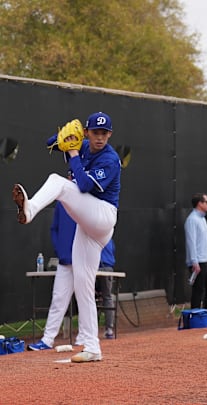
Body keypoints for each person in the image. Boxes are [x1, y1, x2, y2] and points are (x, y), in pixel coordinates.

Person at [14, 112, 121, 362]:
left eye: (104, 133)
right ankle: (93, 347)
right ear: (87, 132)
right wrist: (67, 136)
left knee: (57, 182)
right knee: (83, 286)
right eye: (95, 132)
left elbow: (83, 186)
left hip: (103, 215)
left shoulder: (110, 158)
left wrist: (73, 154)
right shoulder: (83, 143)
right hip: (88, 225)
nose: (100, 137)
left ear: (110, 135)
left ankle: (29, 210)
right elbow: (50, 142)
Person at [27, 203, 116, 350]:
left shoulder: (87, 199)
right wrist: (60, 250)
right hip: (65, 261)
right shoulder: (62, 203)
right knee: (58, 299)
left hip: (83, 259)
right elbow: (54, 229)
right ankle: (47, 339)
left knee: (85, 298)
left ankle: (84, 338)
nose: (72, 179)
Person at [184, 193, 207, 313]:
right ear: (200, 204)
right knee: (198, 290)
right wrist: (194, 262)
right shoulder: (192, 220)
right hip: (198, 262)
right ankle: (195, 315)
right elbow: (191, 241)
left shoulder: (203, 219)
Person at [97, 239, 117, 339]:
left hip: (94, 268)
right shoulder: (109, 237)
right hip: (108, 268)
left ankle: (91, 330)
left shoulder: (91, 233)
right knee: (107, 297)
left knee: (90, 298)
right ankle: (109, 330)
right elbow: (113, 250)